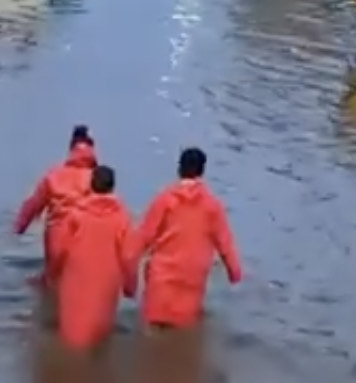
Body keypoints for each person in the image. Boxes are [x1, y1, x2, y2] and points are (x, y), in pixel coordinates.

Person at [124, 147, 241, 329]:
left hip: (161, 280)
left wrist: (129, 277)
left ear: (179, 169)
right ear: (202, 171)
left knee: (153, 335)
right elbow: (225, 244)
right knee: (184, 337)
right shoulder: (212, 206)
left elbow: (143, 238)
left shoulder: (164, 200)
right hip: (192, 281)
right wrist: (235, 273)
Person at [52, 165, 132, 352]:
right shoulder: (122, 218)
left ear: (91, 185)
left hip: (76, 279)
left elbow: (60, 250)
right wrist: (129, 286)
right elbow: (128, 255)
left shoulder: (76, 215)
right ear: (113, 187)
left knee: (72, 333)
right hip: (107, 282)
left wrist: (54, 273)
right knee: (101, 330)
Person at [14, 124, 97, 288]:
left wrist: (19, 227)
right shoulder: (98, 178)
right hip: (86, 239)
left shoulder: (54, 174)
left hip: (57, 238)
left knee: (51, 286)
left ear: (71, 148)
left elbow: (33, 204)